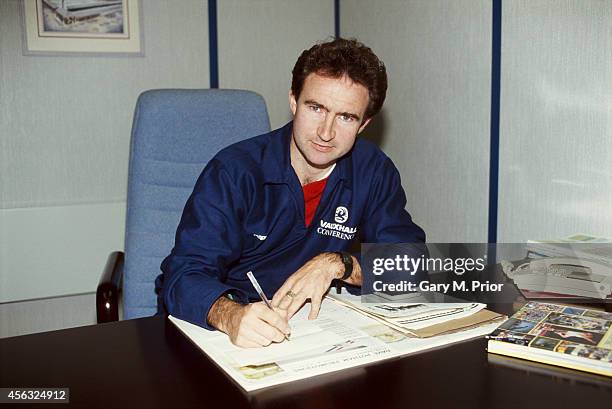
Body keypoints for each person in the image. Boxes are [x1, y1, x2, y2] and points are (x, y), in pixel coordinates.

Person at [155, 38, 425, 348]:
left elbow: (412, 264)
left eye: (346, 117)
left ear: (364, 124)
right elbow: (183, 274)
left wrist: (339, 264)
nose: (326, 132)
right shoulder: (234, 170)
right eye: (316, 108)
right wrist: (230, 316)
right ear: (294, 101)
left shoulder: (373, 170)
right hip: (226, 331)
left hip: (315, 333)